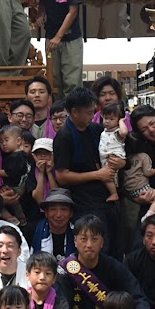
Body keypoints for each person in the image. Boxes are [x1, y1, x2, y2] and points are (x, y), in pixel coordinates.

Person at [56, 213, 151, 309]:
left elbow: (136, 295)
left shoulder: (113, 267)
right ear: (75, 241)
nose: (89, 244)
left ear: (102, 242)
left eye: (94, 239)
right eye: (83, 239)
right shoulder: (65, 270)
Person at [54, 87, 123, 240]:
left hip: (108, 196)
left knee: (116, 244)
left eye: (93, 111)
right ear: (74, 112)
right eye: (89, 112)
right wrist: (97, 175)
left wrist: (121, 162)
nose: (93, 116)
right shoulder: (64, 137)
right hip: (84, 202)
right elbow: (62, 176)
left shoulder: (96, 129)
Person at [39, 0, 85, 97]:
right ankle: (58, 117)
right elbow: (41, 5)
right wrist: (39, 16)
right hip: (50, 36)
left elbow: (73, 11)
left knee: (71, 82)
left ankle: (72, 117)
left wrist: (58, 36)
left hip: (70, 38)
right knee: (54, 81)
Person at [31, 188, 78, 262]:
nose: (58, 215)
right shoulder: (33, 231)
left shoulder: (78, 233)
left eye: (64, 209)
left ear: (71, 213)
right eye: (53, 209)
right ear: (46, 212)